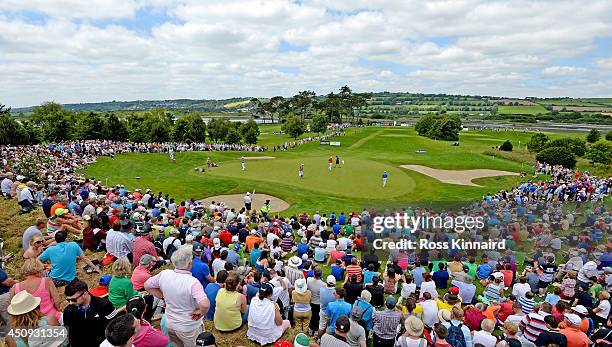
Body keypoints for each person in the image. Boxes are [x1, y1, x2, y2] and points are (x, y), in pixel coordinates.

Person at [145, 245, 209, 347]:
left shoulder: (164, 274)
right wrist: (201, 312)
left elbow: (147, 285)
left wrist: (163, 297)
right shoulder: (193, 282)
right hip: (188, 326)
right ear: (189, 263)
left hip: (170, 323)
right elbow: (205, 304)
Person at [63, 279, 119, 347]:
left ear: (85, 293)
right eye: (68, 300)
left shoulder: (105, 305)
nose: (70, 303)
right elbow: (68, 331)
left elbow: (115, 327)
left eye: (73, 299)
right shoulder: (68, 311)